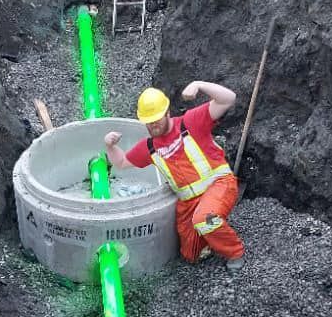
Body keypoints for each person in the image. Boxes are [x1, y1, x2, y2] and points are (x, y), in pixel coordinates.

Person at [104, 83, 245, 273]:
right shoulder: (150, 147)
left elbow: (228, 98)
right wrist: (110, 146)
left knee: (205, 218)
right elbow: (121, 163)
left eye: (157, 119)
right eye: (149, 121)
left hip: (219, 185)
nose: (153, 124)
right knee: (190, 254)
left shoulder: (191, 122)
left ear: (167, 113)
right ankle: (212, 232)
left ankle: (235, 252)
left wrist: (199, 85)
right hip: (189, 203)